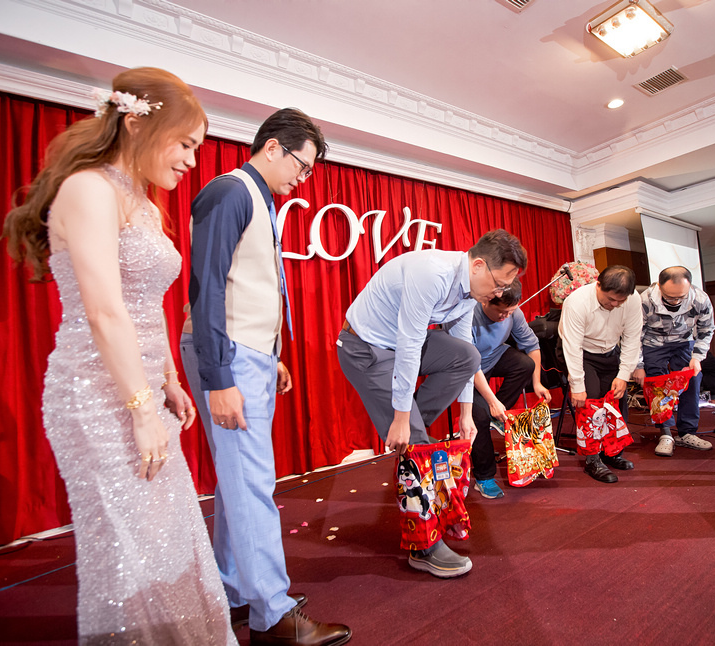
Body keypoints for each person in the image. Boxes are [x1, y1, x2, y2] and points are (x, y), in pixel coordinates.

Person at [0, 67, 236, 644]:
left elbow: (146, 303)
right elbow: (105, 311)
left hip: (140, 391)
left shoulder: (145, 206)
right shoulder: (88, 189)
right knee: (128, 549)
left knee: (169, 537)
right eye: (185, 144)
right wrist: (139, 407)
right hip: (97, 396)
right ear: (136, 123)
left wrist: (168, 380)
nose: (189, 160)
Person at [184, 108, 351, 645]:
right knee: (253, 482)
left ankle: (237, 593)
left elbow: (242, 285)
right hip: (228, 356)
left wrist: (269, 352)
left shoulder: (258, 199)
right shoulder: (231, 191)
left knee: (241, 482)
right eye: (302, 167)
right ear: (274, 147)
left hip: (245, 351)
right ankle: (274, 617)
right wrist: (220, 375)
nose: (302, 180)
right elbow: (206, 288)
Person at [337, 229, 527, 577]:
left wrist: (466, 414)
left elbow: (463, 349)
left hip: (399, 347)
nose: (500, 294)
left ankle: (412, 443)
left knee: (466, 354)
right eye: (499, 284)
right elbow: (409, 344)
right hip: (366, 349)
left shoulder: (470, 288)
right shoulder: (432, 273)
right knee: (415, 438)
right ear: (479, 265)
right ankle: (422, 547)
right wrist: (400, 416)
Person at [469, 278, 552, 499]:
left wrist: (537, 383)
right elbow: (472, 365)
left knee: (525, 364)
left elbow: (532, 345)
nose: (506, 317)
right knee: (478, 414)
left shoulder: (513, 313)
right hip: (467, 369)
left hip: (493, 357)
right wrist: (490, 402)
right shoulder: (469, 314)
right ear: (487, 302)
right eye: (502, 312)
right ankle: (484, 477)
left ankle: (495, 416)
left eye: (510, 311)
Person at [559, 265, 642, 483]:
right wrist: (577, 386)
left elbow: (632, 339)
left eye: (620, 301)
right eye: (610, 299)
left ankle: (612, 453)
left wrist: (624, 375)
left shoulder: (633, 300)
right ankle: (592, 459)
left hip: (609, 351)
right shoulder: (576, 302)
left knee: (616, 399)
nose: (614, 305)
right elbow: (572, 347)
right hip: (581, 352)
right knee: (591, 403)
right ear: (598, 285)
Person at [631, 266, 715, 457]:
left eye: (680, 297)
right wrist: (638, 365)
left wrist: (697, 358)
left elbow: (706, 330)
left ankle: (687, 432)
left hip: (684, 342)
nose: (676, 301)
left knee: (692, 380)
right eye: (670, 297)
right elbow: (634, 334)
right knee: (657, 385)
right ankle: (666, 433)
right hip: (653, 344)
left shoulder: (700, 299)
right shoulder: (644, 301)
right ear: (659, 287)